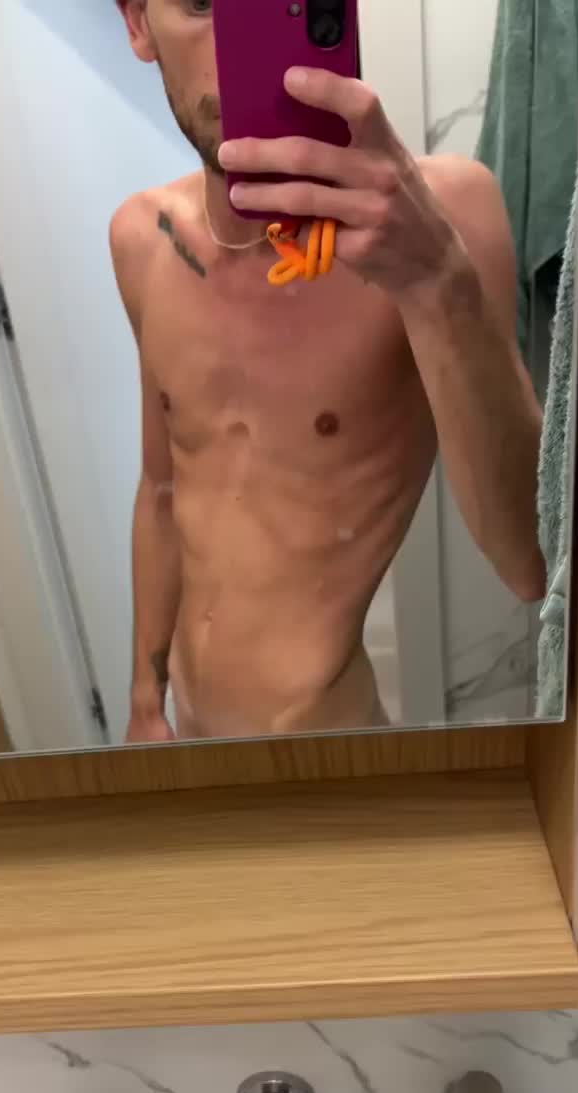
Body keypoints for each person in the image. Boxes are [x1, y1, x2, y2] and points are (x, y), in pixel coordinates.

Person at [111, 0, 545, 744]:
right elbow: (160, 490)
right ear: (138, 24)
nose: (234, 49)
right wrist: (144, 700)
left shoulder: (447, 216)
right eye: (201, 4)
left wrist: (437, 281)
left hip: (325, 742)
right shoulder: (141, 239)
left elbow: (530, 561)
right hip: (183, 731)